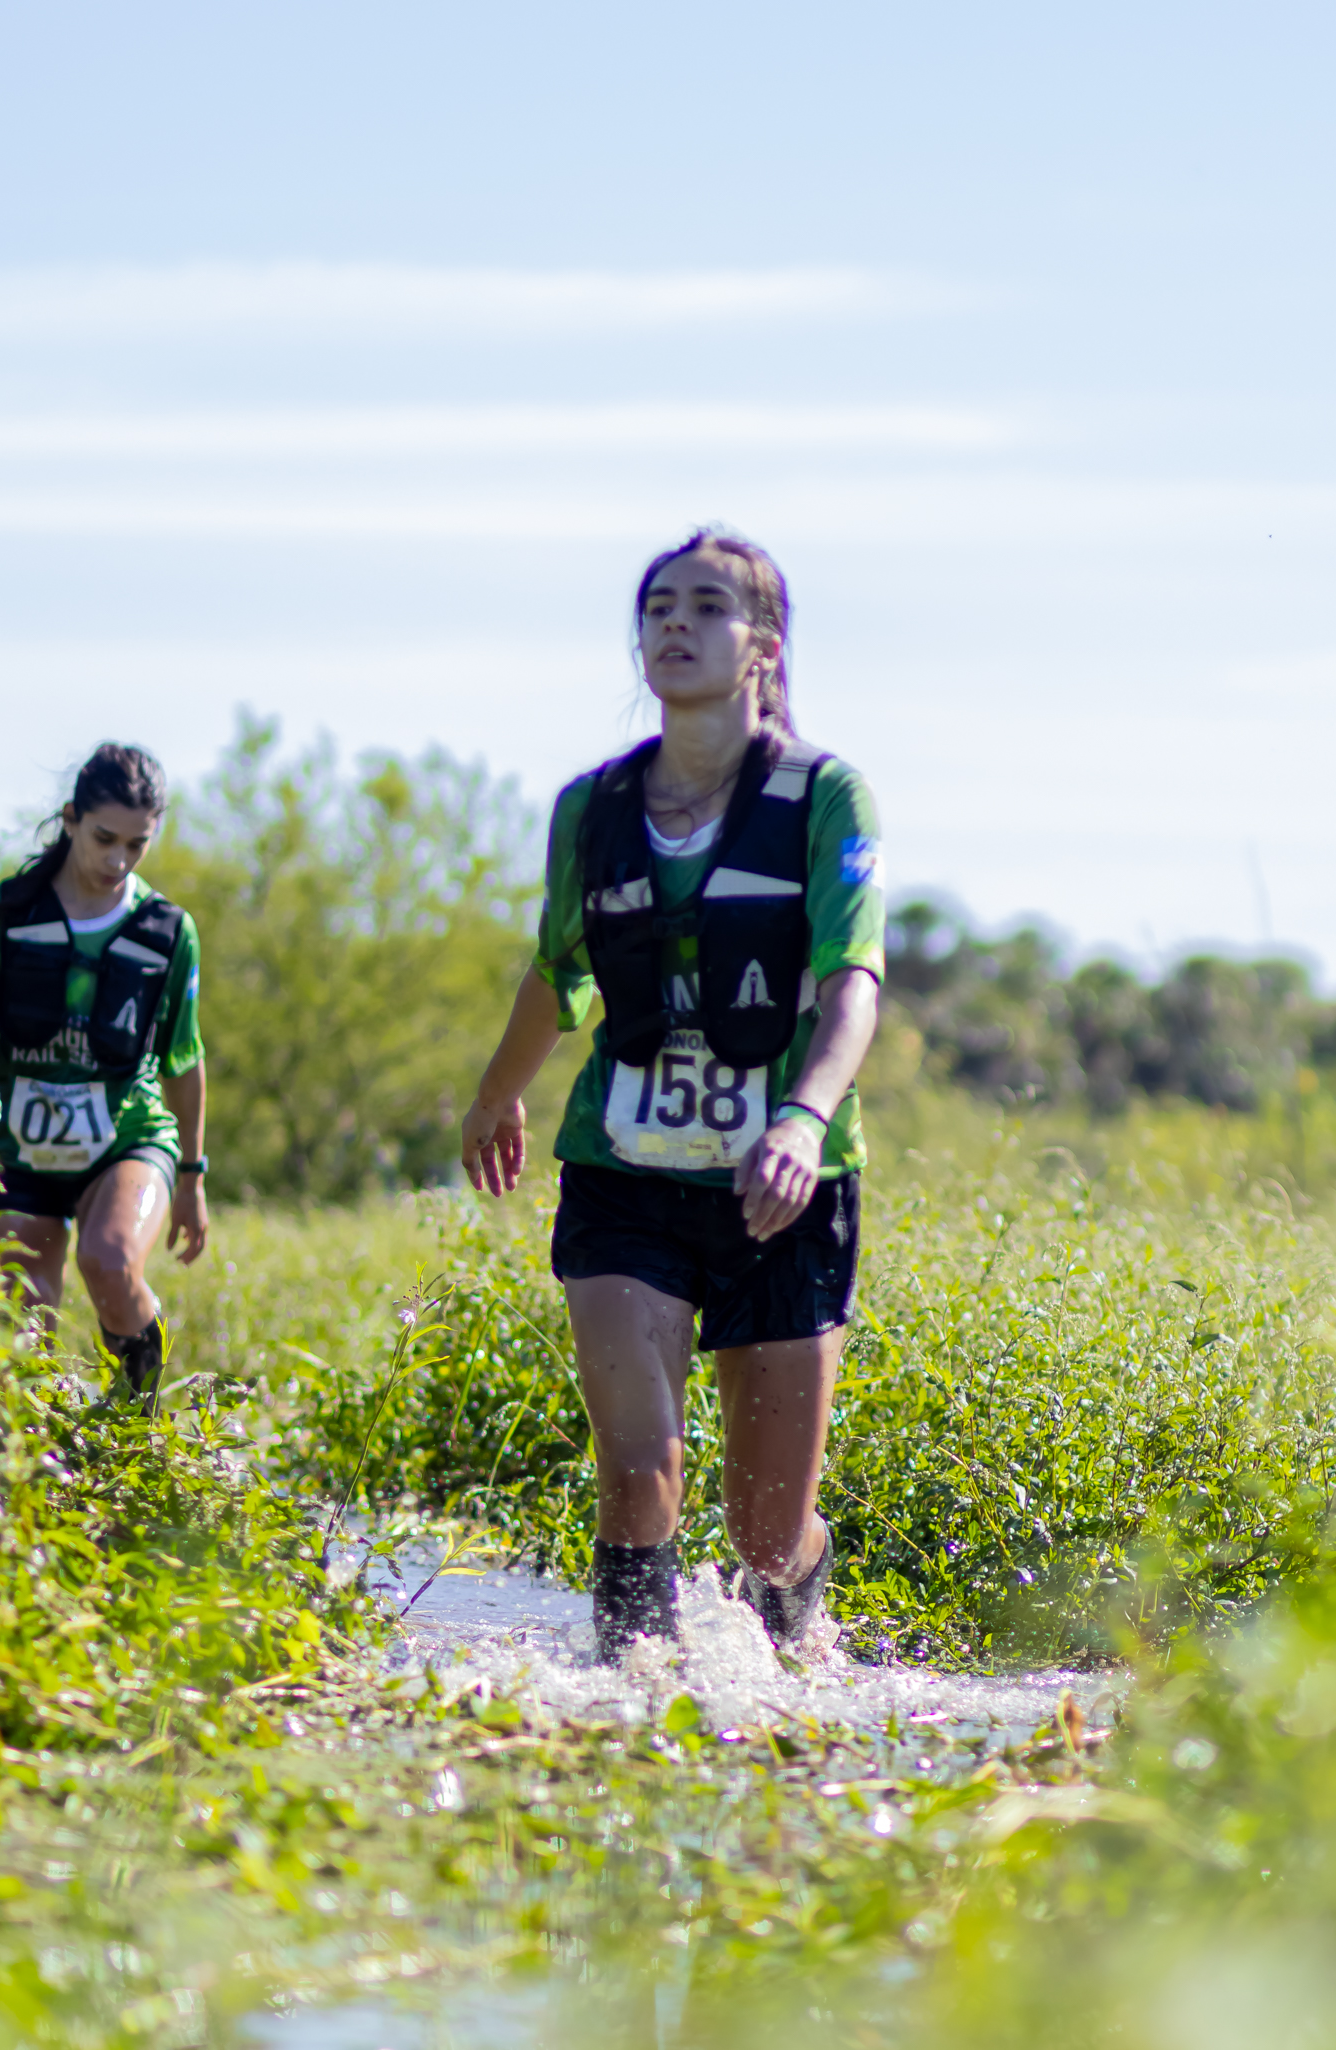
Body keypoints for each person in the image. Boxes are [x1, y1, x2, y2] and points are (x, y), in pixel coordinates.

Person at [461, 529, 884, 1663]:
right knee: (638, 1468)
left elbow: (853, 985)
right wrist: (497, 1095)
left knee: (763, 1527)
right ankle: (628, 1699)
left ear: (763, 645)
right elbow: (560, 973)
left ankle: (802, 1648)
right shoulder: (590, 809)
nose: (675, 626)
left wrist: (800, 1117)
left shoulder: (824, 797)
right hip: (622, 1173)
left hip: (785, 1192)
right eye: (657, 607)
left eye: (706, 606)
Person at [0, 743, 208, 1407]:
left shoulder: (169, 931)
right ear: (70, 819)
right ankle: (29, 1463)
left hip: (127, 1137)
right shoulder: (2, 911)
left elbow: (184, 1059)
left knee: (110, 1263)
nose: (117, 861)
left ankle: (135, 1430)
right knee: (18, 1323)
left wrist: (193, 1178)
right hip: (22, 1148)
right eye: (104, 838)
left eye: (137, 845)